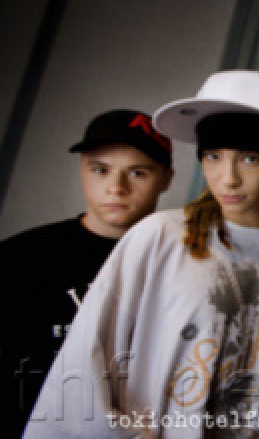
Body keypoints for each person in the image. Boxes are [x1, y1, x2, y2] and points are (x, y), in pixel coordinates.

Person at [24, 70, 259, 438]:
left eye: (250, 159)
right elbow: (84, 362)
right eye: (213, 156)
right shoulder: (160, 236)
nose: (228, 178)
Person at [0, 108, 173, 435]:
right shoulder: (20, 258)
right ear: (82, 169)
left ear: (166, 179)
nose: (116, 187)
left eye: (138, 173)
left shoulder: (178, 266)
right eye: (101, 170)